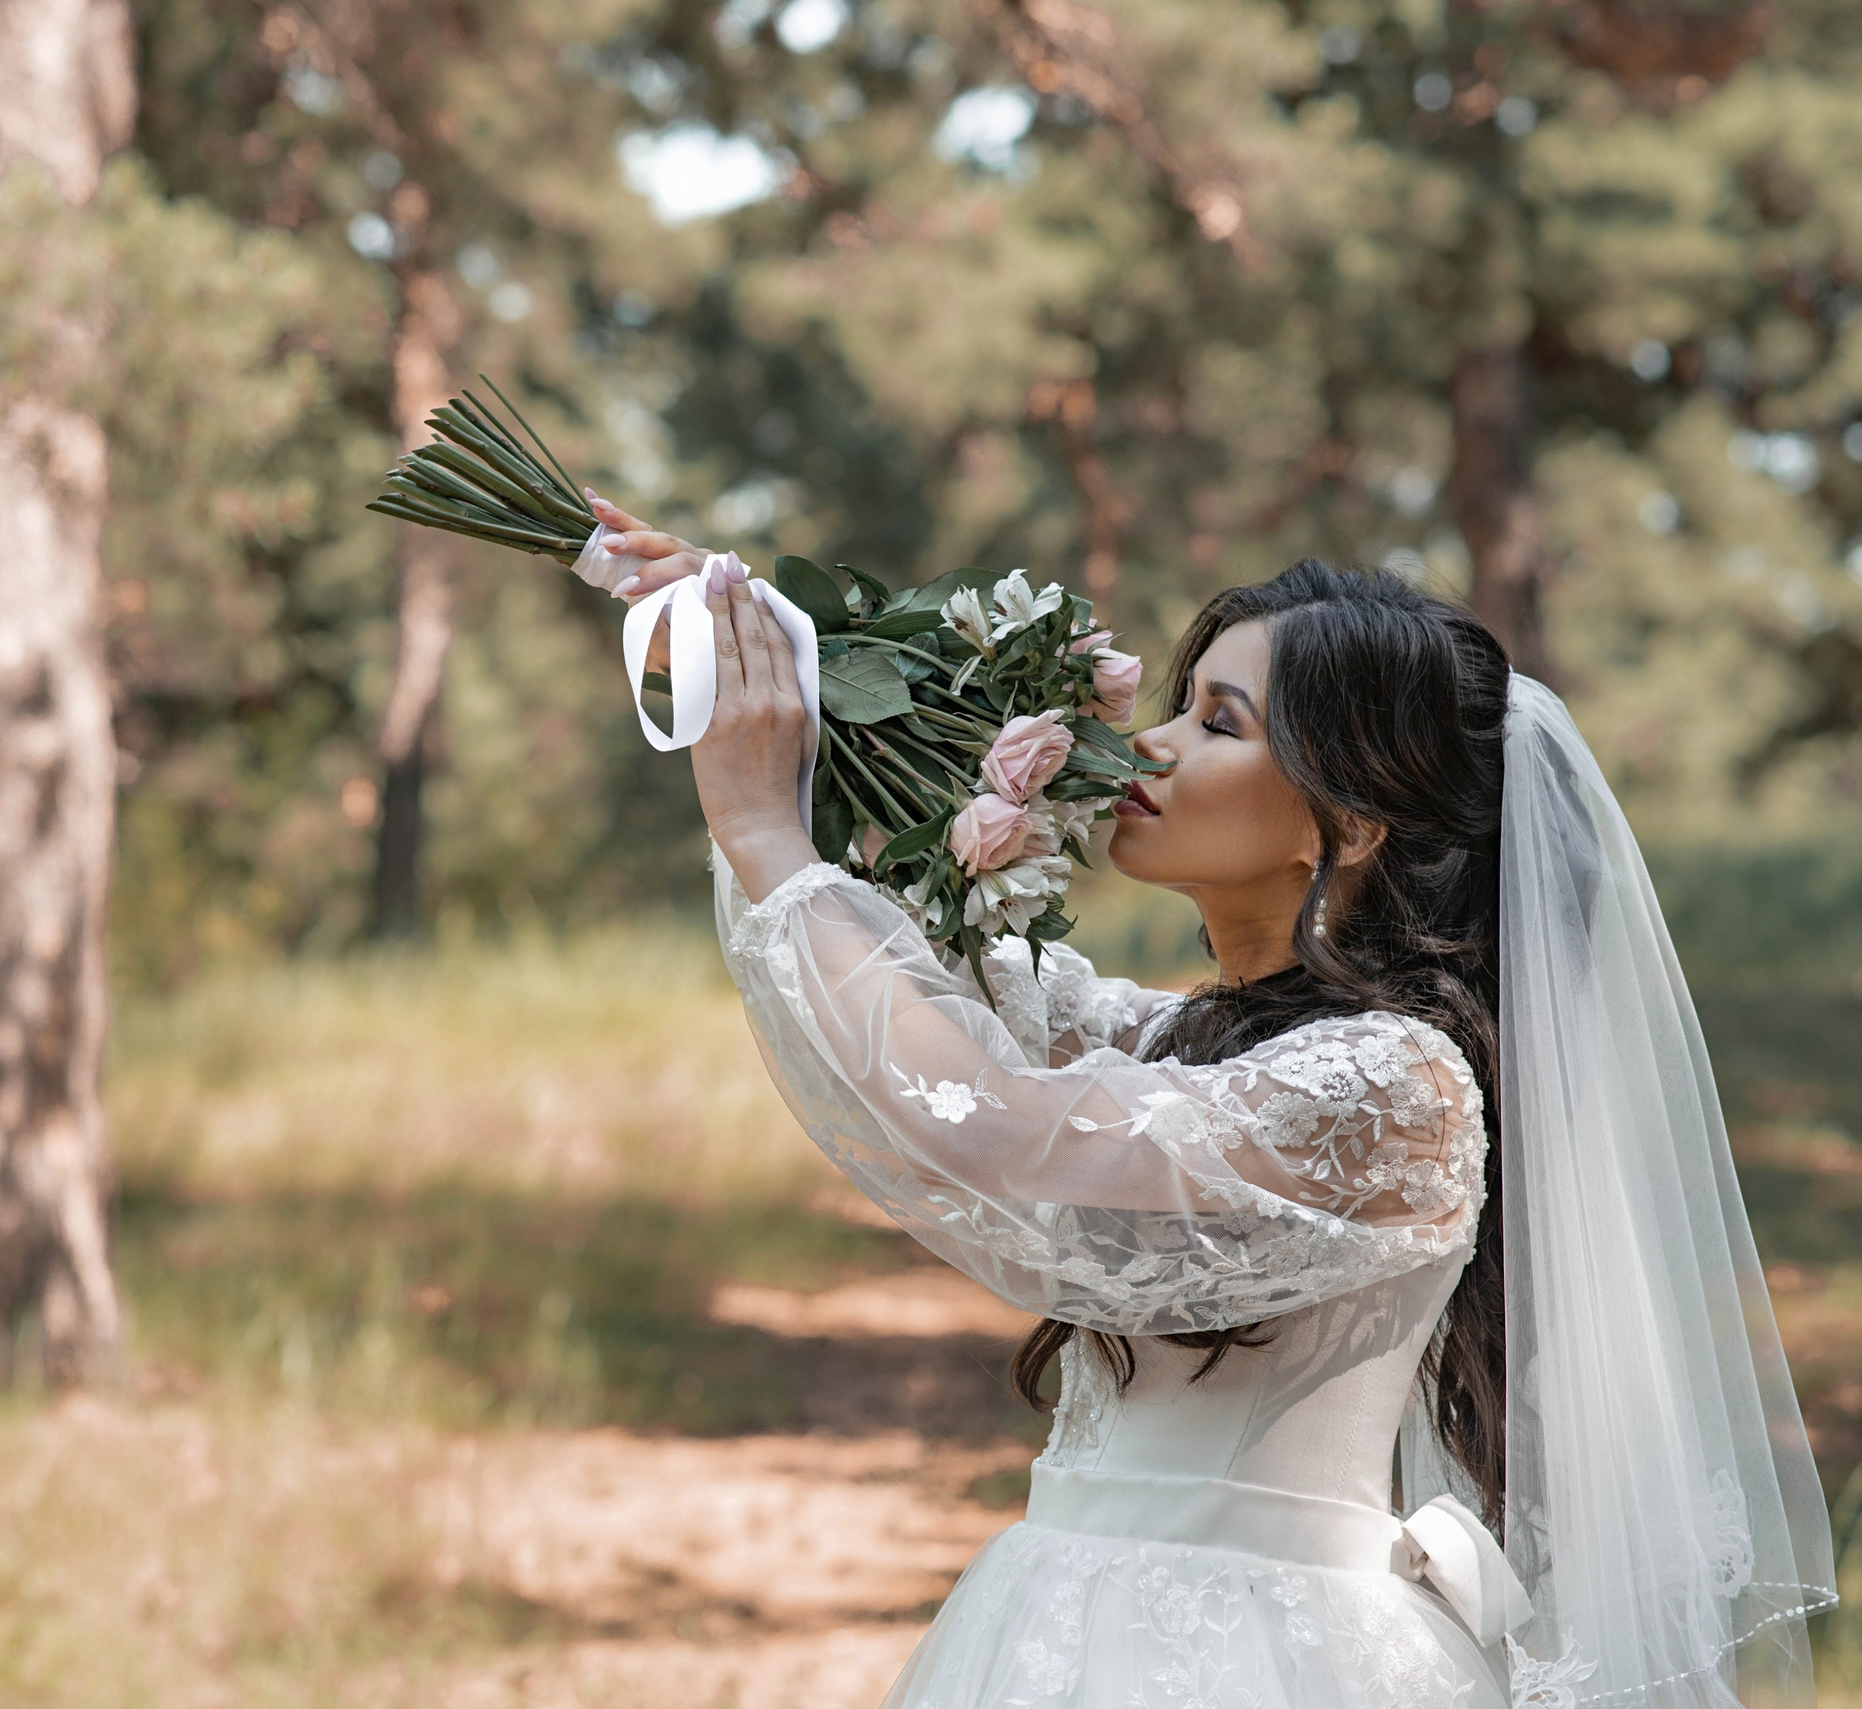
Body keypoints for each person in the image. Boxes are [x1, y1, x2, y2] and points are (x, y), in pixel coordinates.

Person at [584, 495, 1839, 1709]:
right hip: (1058, 1617)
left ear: (1345, 823)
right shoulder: (1178, 1038)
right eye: (1180, 706)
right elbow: (936, 974)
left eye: (1218, 722)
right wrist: (781, 641)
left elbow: (997, 1121)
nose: (1155, 745)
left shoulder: (1394, 1088)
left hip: (1270, 1654)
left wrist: (759, 826)